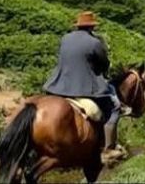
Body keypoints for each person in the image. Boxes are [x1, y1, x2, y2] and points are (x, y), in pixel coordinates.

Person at [43, 11, 125, 163]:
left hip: (58, 85)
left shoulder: (65, 38)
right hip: (83, 88)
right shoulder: (94, 42)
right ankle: (108, 149)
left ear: (78, 25)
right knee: (115, 107)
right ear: (92, 26)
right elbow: (103, 64)